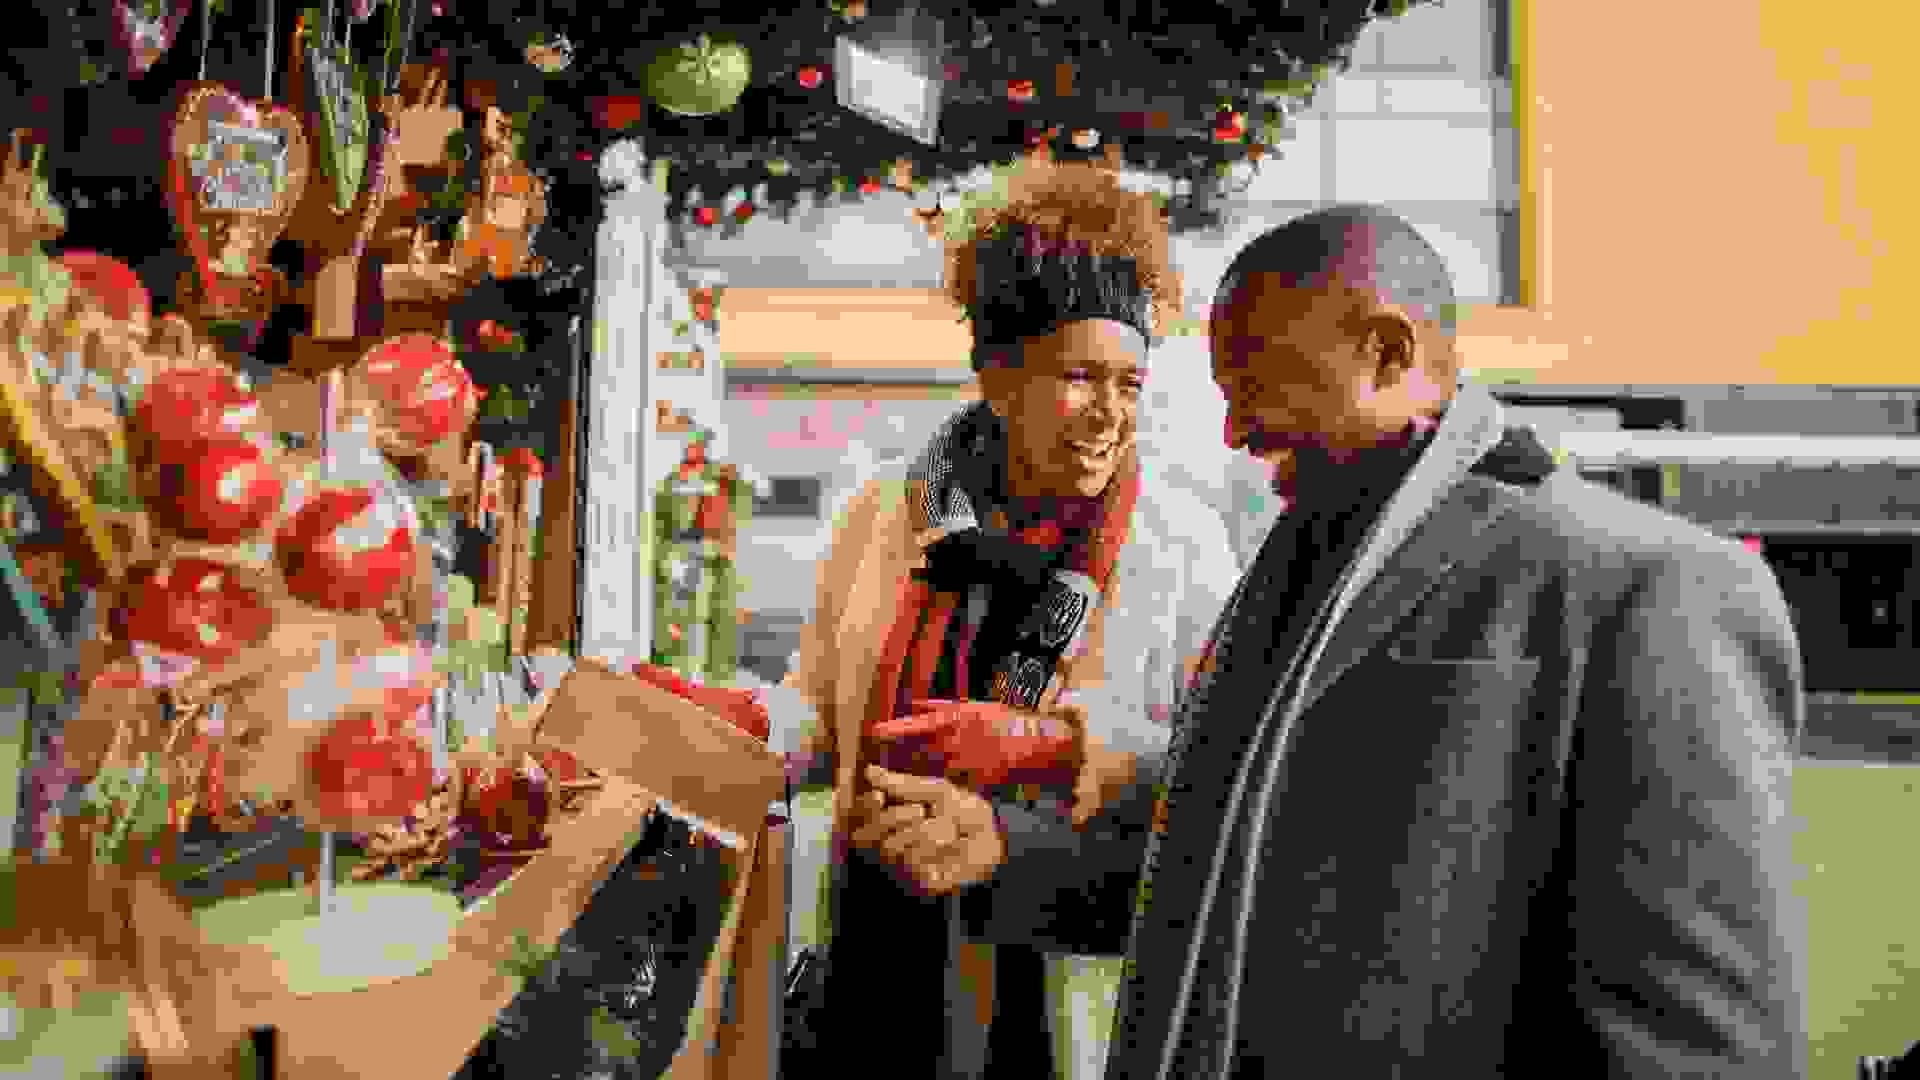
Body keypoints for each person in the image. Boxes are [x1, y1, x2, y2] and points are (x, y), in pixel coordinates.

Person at [851, 203, 1808, 1078]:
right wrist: (1007, 856)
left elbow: (1699, 1041)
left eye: (1259, 385)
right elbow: (1238, 880)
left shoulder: (1656, 588)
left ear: (1387, 352)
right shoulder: (1297, 562)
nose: (1232, 432)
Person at [772, 159, 1238, 1079]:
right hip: (880, 968)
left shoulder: (1181, 542)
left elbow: (1225, 770)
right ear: (997, 374)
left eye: (1130, 384)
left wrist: (1050, 748)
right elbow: (821, 717)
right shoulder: (884, 519)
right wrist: (736, 725)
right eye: (1079, 376)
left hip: (1062, 996)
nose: (1109, 414)